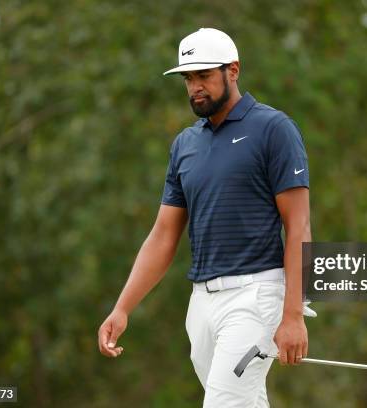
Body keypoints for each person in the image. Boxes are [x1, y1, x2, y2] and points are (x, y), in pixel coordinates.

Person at [98, 27, 312, 407]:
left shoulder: (273, 129)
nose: (195, 86)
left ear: (233, 70)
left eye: (204, 75)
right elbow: (163, 235)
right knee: (241, 402)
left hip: (257, 294)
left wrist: (292, 315)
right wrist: (122, 307)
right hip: (202, 303)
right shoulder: (186, 145)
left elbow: (298, 226)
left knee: (224, 403)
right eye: (188, 78)